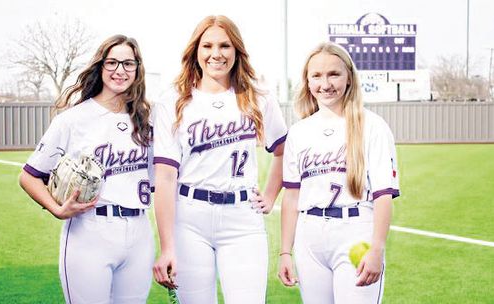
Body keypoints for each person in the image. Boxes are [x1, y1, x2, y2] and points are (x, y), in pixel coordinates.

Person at [151, 15, 287, 304]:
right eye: (207, 45)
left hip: (242, 219)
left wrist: (271, 194)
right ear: (195, 51)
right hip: (189, 217)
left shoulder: (258, 96)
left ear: (237, 51)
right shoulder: (172, 101)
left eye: (225, 45)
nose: (216, 54)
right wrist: (167, 246)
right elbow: (164, 178)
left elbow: (283, 150)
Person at [18, 35, 154, 304]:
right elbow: (29, 176)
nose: (120, 70)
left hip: (139, 232)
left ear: (138, 69)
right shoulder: (72, 119)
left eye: (128, 63)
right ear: (101, 66)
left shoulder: (147, 119)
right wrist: (57, 209)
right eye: (112, 62)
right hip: (89, 230)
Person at [278, 41, 400, 304]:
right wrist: (285, 252)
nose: (325, 83)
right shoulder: (299, 132)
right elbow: (291, 197)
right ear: (307, 82)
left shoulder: (373, 126)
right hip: (309, 238)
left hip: (356, 233)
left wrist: (377, 247)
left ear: (349, 79)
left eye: (334, 74)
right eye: (316, 76)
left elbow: (383, 196)